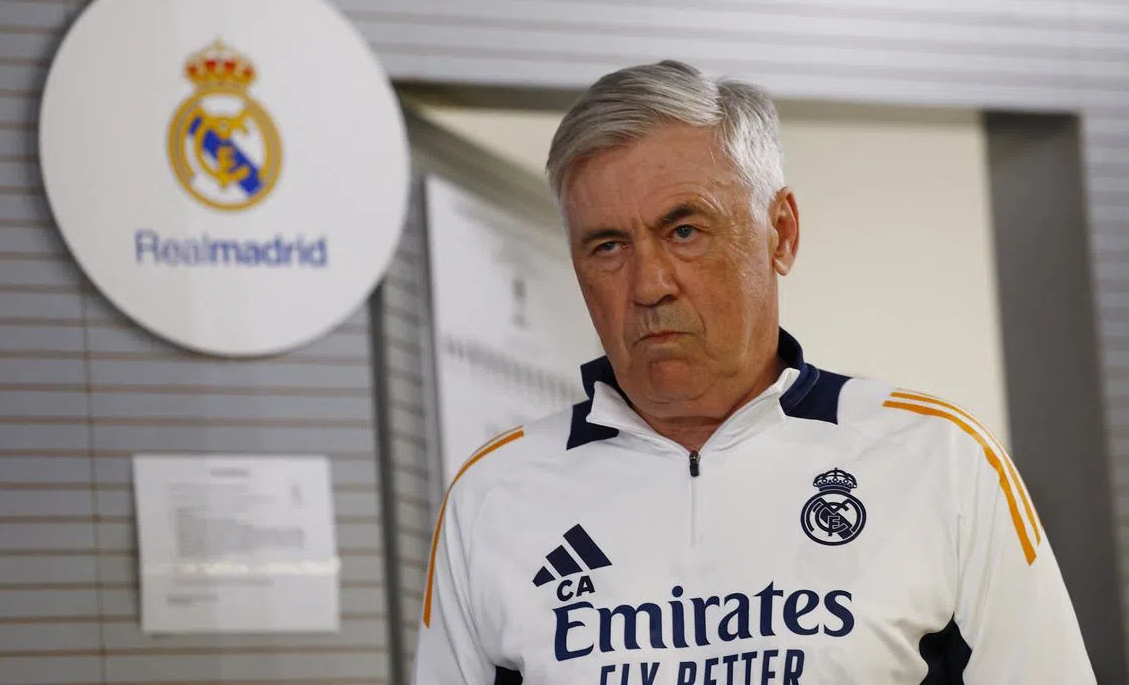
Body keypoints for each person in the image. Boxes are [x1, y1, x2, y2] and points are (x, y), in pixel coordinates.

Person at [412, 61, 1095, 684]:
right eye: (608, 245)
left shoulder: (938, 462)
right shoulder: (494, 497)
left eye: (685, 230)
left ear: (781, 232)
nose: (649, 284)